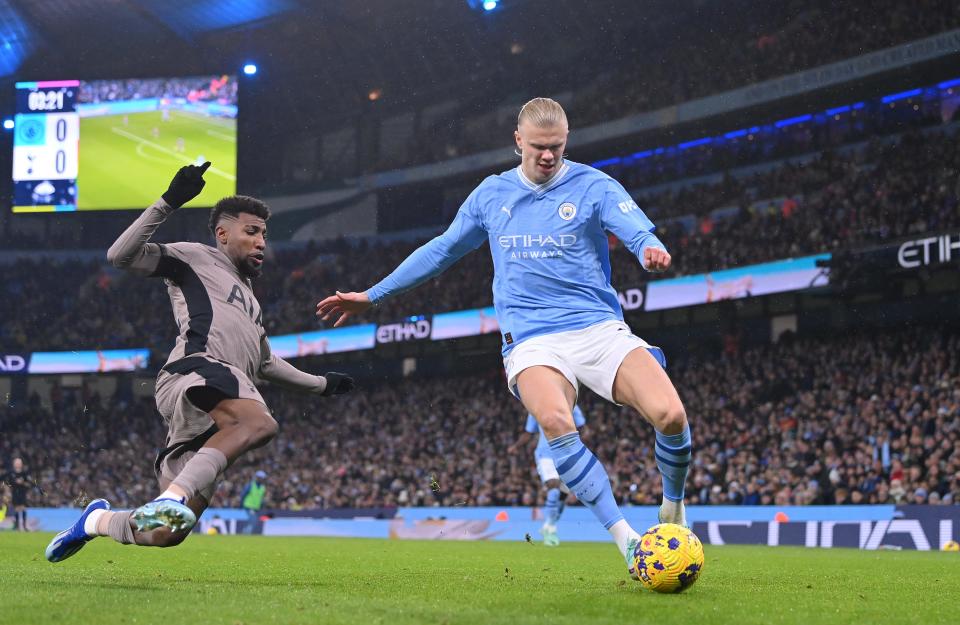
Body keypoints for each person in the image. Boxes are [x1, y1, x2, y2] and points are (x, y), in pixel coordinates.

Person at [317, 98, 691, 580]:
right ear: (518, 142)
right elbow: (443, 249)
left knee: (672, 413)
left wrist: (649, 248)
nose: (548, 157)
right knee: (556, 420)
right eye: (538, 147)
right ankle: (628, 542)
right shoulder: (491, 196)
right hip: (532, 339)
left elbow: (634, 228)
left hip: (597, 327)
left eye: (556, 147)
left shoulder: (594, 185)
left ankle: (673, 508)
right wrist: (373, 295)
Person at [45, 162, 355, 563]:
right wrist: (169, 201)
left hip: (218, 407)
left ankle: (93, 522)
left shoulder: (252, 303)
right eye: (251, 231)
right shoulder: (195, 257)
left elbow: (265, 363)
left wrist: (322, 385)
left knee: (164, 532)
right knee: (259, 422)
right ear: (223, 234)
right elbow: (120, 256)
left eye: (264, 233)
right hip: (194, 371)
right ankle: (174, 496)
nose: (261, 242)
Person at [507, 405, 587, 546]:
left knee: (563, 494)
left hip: (567, 456)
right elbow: (528, 433)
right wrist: (516, 446)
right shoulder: (536, 406)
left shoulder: (572, 406)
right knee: (553, 487)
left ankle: (548, 525)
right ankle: (551, 529)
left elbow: (584, 429)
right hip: (545, 455)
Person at [2, 457, 33, 531]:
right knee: (16, 509)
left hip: (22, 493)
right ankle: (17, 526)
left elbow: (29, 484)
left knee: (23, 508)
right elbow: (6, 483)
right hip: (14, 493)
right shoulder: (10, 473)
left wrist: (23, 482)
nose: (18, 464)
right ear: (14, 464)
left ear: (21, 464)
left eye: (19, 463)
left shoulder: (25, 473)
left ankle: (24, 526)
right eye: (16, 463)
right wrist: (8, 491)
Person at [240, 470, 268, 534]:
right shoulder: (250, 485)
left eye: (262, 478)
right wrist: (241, 505)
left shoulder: (263, 488)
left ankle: (245, 533)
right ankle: (246, 534)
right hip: (248, 506)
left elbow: (261, 498)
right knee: (253, 520)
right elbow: (243, 495)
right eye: (260, 478)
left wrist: (261, 505)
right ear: (257, 477)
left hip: (256, 508)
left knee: (252, 521)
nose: (261, 479)